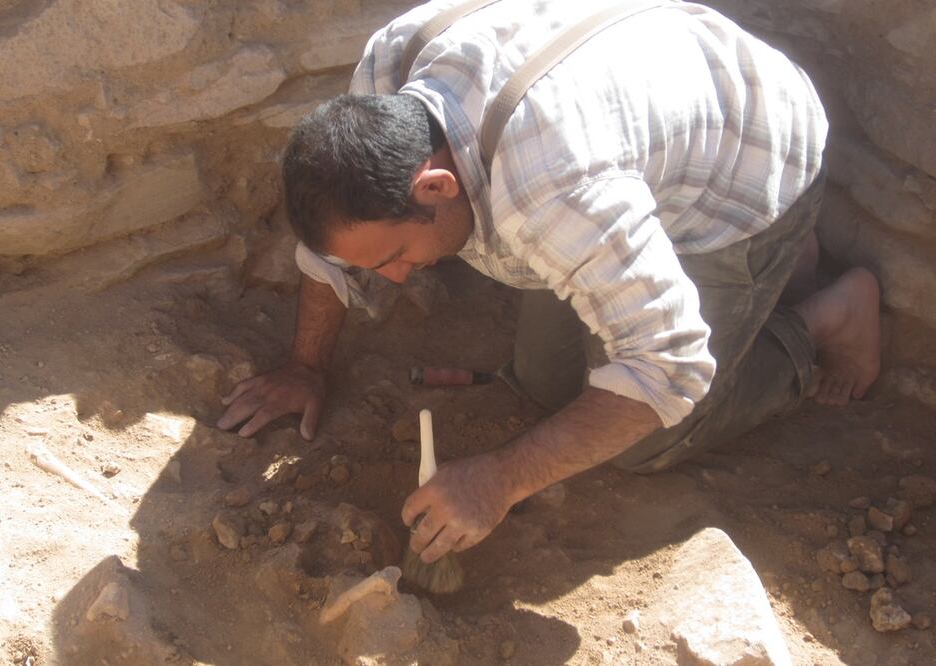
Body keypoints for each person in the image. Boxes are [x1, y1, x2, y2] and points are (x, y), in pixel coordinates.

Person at [217, 0, 881, 566]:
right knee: (544, 379)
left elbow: (669, 367)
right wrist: (304, 365)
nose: (390, 278)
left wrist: (497, 481)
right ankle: (776, 268)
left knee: (645, 440)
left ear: (436, 187)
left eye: (395, 255)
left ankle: (823, 310)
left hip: (748, 165)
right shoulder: (394, 70)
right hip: (649, 122)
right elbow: (344, 242)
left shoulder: (553, 194)